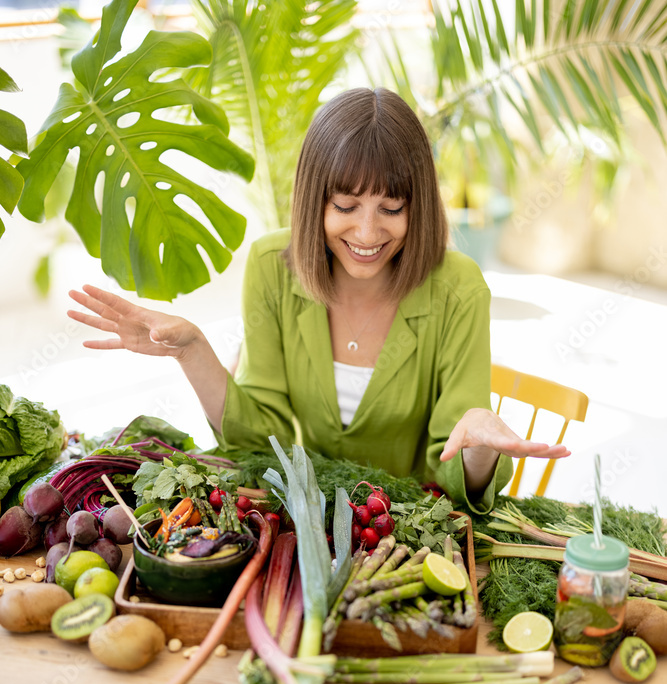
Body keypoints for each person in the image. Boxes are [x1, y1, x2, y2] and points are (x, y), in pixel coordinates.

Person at [68, 87, 569, 513]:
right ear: (314, 200)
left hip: (412, 523)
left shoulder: (458, 285)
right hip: (313, 515)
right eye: (345, 206)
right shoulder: (272, 266)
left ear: (418, 204)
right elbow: (256, 441)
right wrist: (192, 350)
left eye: (391, 208)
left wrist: (478, 447)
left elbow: (456, 465)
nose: (367, 233)